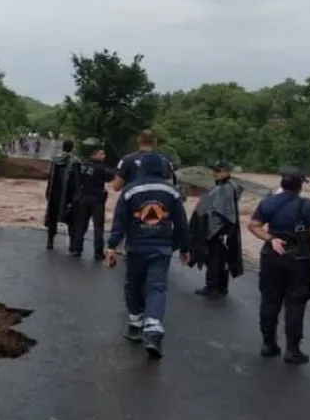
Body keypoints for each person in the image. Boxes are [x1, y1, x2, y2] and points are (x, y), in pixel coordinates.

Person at [105, 153, 191, 359]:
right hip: (161, 248)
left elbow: (120, 221)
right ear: (162, 169)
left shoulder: (129, 191)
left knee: (133, 284)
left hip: (135, 247)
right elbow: (181, 223)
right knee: (157, 288)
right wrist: (185, 248)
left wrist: (112, 246)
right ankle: (153, 332)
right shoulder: (172, 192)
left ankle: (135, 325)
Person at [247, 168, 310, 363]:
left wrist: (271, 238)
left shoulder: (268, 202)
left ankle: (268, 344)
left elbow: (253, 225)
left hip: (272, 257)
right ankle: (293, 350)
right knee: (295, 304)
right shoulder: (307, 206)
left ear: (282, 184)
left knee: (270, 301)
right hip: (299, 260)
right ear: (300, 186)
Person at [189, 159, 244, 298]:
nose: (214, 173)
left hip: (219, 228)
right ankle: (220, 286)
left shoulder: (225, 188)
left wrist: (213, 230)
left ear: (226, 172)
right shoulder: (225, 186)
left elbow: (224, 212)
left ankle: (212, 286)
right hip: (221, 228)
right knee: (220, 258)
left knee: (214, 258)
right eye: (214, 170)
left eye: (218, 171)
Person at [68, 139, 113, 260]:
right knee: (98, 227)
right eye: (101, 153)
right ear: (94, 154)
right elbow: (110, 178)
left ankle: (76, 249)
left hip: (83, 198)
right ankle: (98, 252)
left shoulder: (83, 165)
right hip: (97, 200)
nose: (104, 156)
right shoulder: (101, 168)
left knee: (81, 225)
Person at [110, 129, 177, 192]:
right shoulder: (165, 160)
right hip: (158, 201)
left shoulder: (126, 159)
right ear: (155, 141)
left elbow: (116, 187)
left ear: (138, 140)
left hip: (134, 200)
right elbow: (171, 186)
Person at [43, 138, 79, 250]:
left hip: (54, 193)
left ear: (63, 146)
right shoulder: (75, 162)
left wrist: (48, 191)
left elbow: (50, 177)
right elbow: (77, 180)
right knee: (71, 219)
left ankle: (50, 242)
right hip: (68, 195)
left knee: (52, 218)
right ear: (72, 148)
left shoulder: (55, 160)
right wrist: (76, 196)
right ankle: (72, 245)